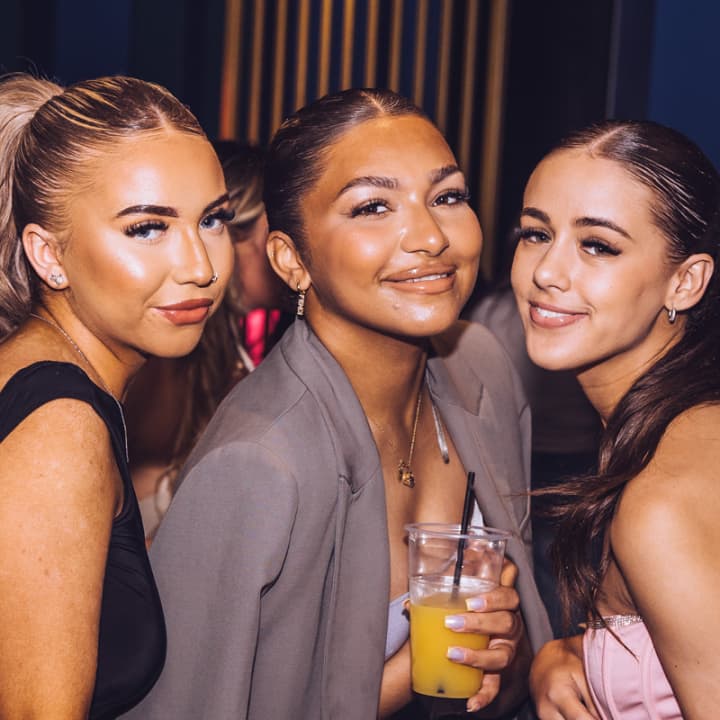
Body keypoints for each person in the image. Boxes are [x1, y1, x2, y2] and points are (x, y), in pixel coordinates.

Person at [130, 88, 552, 720]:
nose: (430, 236)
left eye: (447, 197)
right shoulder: (255, 463)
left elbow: (504, 681)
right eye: (373, 207)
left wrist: (510, 655)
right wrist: (409, 673)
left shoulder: (481, 369)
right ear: (291, 260)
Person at [0, 73, 234, 718]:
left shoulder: (43, 376)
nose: (200, 267)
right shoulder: (60, 426)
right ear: (49, 255)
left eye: (213, 219)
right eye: (147, 228)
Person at [510, 120, 720, 719]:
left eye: (597, 245)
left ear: (685, 281)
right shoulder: (685, 429)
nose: (547, 272)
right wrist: (567, 654)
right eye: (535, 234)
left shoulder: (661, 500)